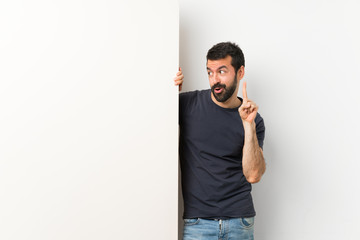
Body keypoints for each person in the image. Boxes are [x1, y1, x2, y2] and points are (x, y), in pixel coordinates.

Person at [174, 42, 266, 240]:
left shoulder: (254, 120)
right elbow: (149, 116)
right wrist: (169, 90)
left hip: (239, 221)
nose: (215, 79)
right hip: (198, 223)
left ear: (240, 72)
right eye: (210, 72)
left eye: (222, 71)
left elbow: (253, 175)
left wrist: (248, 125)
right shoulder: (188, 105)